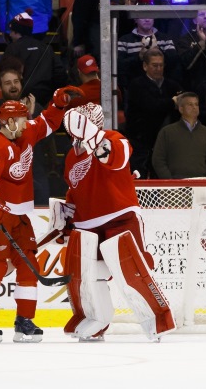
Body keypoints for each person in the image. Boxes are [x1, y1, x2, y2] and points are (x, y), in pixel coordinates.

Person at [0, 86, 83, 343]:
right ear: (9, 122)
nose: (26, 122)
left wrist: (58, 102)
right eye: (22, 119)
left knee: (30, 264)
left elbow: (47, 123)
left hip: (19, 215)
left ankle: (24, 321)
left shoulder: (26, 133)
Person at [59, 102, 175, 342]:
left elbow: (113, 159)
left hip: (119, 216)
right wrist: (65, 218)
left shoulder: (114, 139)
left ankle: (157, 320)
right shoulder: (71, 156)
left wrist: (92, 135)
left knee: (131, 270)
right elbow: (75, 190)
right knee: (88, 276)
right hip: (86, 224)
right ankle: (96, 320)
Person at [0, 67, 51, 206]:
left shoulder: (35, 108)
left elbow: (47, 138)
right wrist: (28, 118)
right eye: (7, 83)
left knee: (41, 212)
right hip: (8, 173)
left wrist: (30, 115)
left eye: (16, 81)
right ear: (0, 88)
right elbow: (3, 139)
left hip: (35, 170)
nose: (13, 86)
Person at [124, 49, 182, 179]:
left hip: (164, 142)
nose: (158, 68)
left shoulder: (172, 85)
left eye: (161, 65)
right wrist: (171, 102)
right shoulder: (136, 85)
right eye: (155, 65)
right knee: (139, 177)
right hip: (140, 141)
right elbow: (150, 105)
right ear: (145, 66)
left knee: (161, 179)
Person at [2, 10, 67, 108]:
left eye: (11, 31)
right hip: (46, 101)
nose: (10, 34)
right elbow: (60, 74)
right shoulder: (46, 48)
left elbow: (5, 74)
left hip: (21, 101)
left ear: (17, 31)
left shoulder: (12, 48)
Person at [152, 92, 206, 179]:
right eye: (190, 104)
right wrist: (170, 182)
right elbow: (158, 160)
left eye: (196, 104)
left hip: (202, 186)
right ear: (181, 109)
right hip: (174, 188)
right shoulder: (167, 132)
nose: (194, 107)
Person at [117, 17, 178, 91]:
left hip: (161, 88)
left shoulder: (165, 38)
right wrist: (139, 56)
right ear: (135, 19)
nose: (147, 19)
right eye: (143, 17)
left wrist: (158, 50)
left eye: (150, 16)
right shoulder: (124, 40)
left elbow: (174, 63)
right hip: (135, 88)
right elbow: (119, 66)